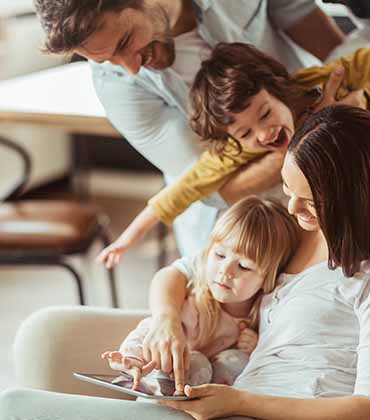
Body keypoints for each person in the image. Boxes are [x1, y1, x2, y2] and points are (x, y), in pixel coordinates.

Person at [1, 105, 370, 420]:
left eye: (308, 200)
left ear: (352, 197)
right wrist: (166, 322)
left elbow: (365, 406)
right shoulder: (286, 235)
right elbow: (178, 274)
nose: (292, 208)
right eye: (289, 192)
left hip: (247, 409)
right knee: (17, 403)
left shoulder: (364, 277)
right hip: (225, 406)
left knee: (15, 407)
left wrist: (240, 401)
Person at [34, 0, 346, 256]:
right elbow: (214, 187)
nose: (130, 67)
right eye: (106, 60)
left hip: (333, 174)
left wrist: (347, 106)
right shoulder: (117, 88)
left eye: (126, 41)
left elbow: (333, 48)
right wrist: (313, 132)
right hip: (242, 229)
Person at [96, 43, 370, 269]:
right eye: (246, 132)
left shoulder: (317, 82)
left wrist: (358, 102)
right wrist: (128, 238)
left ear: (277, 89)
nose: (264, 134)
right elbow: (181, 191)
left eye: (265, 114)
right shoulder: (237, 151)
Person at [101, 196, 299, 390]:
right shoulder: (195, 307)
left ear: (267, 278)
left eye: (244, 266)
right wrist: (132, 360)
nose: (225, 271)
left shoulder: (264, 314)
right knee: (196, 361)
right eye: (220, 255)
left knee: (238, 360)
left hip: (213, 398)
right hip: (164, 381)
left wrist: (255, 347)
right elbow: (152, 330)